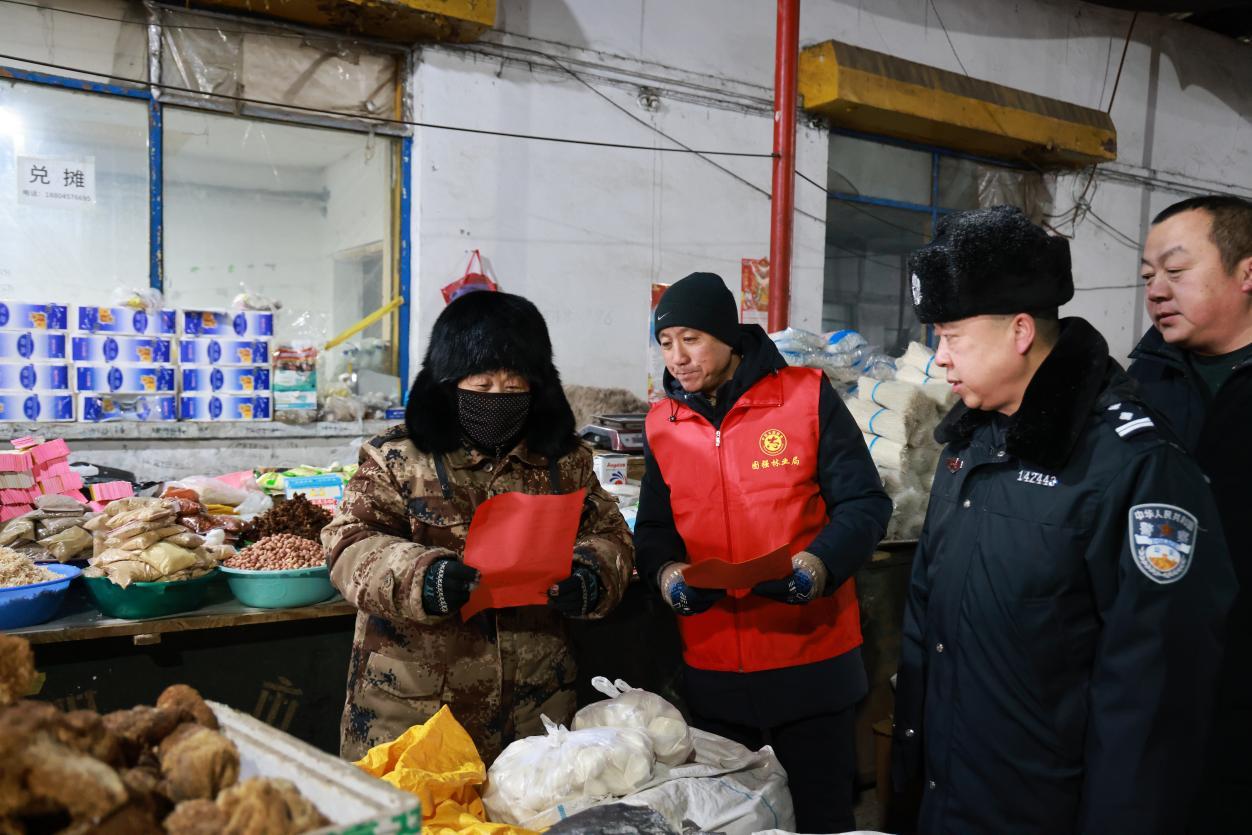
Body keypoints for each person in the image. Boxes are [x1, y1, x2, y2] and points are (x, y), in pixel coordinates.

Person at [891, 205, 1235, 834]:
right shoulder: (970, 445)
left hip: (1045, 810)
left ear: (1020, 331)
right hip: (952, 796)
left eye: (952, 336)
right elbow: (927, 622)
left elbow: (1152, 701)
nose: (940, 359)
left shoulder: (1133, 466)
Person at [322, 290, 634, 763]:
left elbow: (611, 534)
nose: (497, 399)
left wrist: (592, 574)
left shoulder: (563, 463)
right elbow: (349, 543)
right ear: (449, 383)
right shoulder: (398, 458)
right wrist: (422, 576)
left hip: (534, 712)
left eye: (513, 387)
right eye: (482, 385)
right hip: (414, 712)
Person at [633, 271, 892, 833]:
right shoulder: (663, 424)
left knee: (822, 818)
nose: (677, 357)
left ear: (728, 335)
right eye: (666, 342)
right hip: (715, 671)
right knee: (734, 821)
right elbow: (653, 528)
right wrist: (668, 575)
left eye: (691, 339)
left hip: (811, 661)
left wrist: (817, 567)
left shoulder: (805, 397)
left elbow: (865, 504)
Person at [1128, 194, 1252, 832]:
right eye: (1149, 275)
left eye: (1175, 271)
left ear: (1247, 273)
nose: (1156, 290)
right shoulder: (1137, 387)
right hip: (1158, 669)